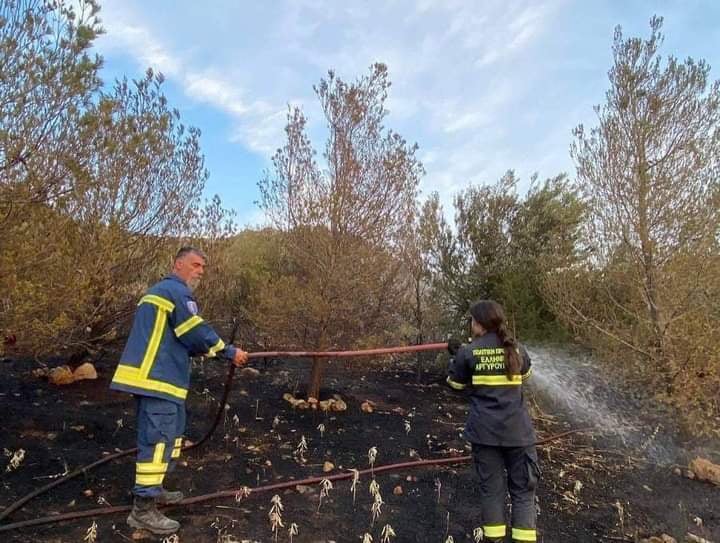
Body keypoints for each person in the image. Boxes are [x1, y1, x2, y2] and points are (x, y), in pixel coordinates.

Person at [110, 247, 249, 535]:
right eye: (195, 265)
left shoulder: (162, 291)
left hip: (163, 379)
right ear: (178, 264)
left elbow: (177, 338)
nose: (200, 271)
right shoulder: (176, 292)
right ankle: (143, 510)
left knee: (170, 437)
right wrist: (228, 351)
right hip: (157, 379)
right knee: (159, 440)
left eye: (203, 267)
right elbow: (194, 331)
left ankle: (155, 489)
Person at [446, 300, 539, 543]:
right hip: (519, 435)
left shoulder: (469, 351)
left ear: (478, 323)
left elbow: (455, 385)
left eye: (472, 321)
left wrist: (456, 356)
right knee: (523, 493)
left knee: (492, 492)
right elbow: (526, 375)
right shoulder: (517, 349)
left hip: (485, 435)